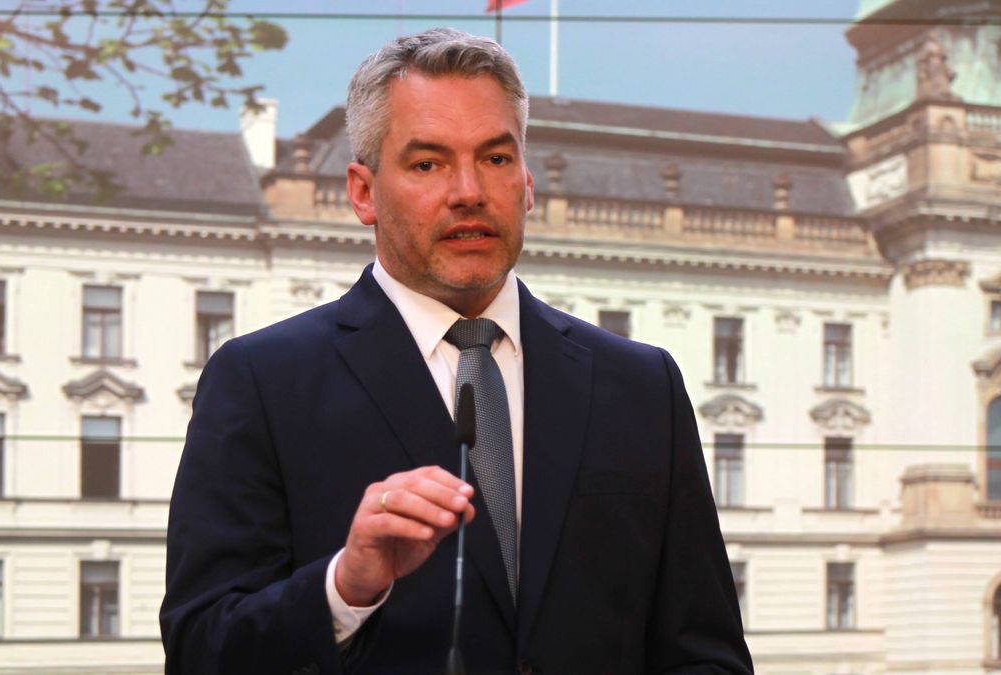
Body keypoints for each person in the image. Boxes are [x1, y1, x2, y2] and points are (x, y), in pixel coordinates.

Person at [160, 27, 753, 674]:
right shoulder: (261, 381)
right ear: (363, 191)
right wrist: (345, 587)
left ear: (526, 184)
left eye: (496, 159)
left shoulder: (641, 385)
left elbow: (706, 651)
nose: (469, 190)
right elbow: (201, 650)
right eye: (428, 163)